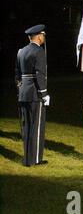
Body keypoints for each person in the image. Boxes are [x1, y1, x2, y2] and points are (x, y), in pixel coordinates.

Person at [15, 24, 50, 167]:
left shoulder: (21, 51)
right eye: (43, 36)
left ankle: (27, 159)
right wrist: (44, 94)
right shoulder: (39, 51)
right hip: (35, 94)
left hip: (23, 93)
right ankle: (35, 159)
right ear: (39, 36)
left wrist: (20, 90)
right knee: (36, 127)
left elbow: (17, 75)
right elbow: (39, 75)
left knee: (26, 126)